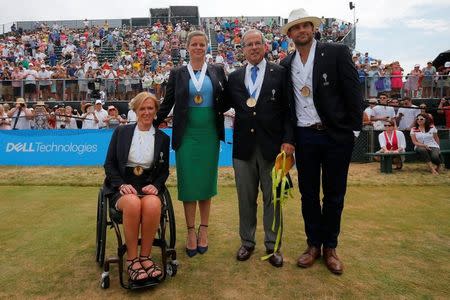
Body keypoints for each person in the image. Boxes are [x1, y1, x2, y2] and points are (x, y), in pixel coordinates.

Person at [280, 8, 363, 275]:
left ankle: (331, 247)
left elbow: (353, 91)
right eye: (296, 27)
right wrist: (290, 139)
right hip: (304, 136)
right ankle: (313, 244)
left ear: (312, 28)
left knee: (334, 194)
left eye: (306, 25)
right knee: (308, 195)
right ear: (290, 34)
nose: (302, 30)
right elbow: (288, 108)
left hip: (335, 135)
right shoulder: (286, 64)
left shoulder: (336, 52)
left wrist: (354, 131)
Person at [225, 29, 294, 268]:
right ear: (243, 49)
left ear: (265, 46)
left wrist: (289, 139)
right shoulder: (234, 77)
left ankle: (272, 245)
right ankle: (247, 242)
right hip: (243, 148)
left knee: (272, 198)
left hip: (273, 147)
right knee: (245, 198)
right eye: (249, 44)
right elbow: (220, 104)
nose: (253, 47)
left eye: (257, 43)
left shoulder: (280, 73)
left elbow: (289, 110)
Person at [154, 31, 227, 258]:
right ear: (187, 47)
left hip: (210, 134)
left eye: (202, 44)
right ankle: (190, 232)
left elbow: (226, 100)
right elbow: (167, 103)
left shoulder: (217, 71)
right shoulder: (177, 73)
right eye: (194, 44)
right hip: (186, 135)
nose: (198, 47)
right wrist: (151, 123)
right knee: (188, 184)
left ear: (207, 47)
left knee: (206, 182)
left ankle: (203, 229)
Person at [103, 92, 170, 282]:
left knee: (153, 205)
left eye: (150, 108)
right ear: (135, 110)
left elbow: (164, 171)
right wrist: (121, 184)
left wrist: (156, 186)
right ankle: (132, 259)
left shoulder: (163, 139)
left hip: (147, 185)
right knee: (132, 203)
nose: (147, 112)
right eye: (142, 108)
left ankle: (145, 257)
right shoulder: (121, 132)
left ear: (156, 111)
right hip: (122, 186)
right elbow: (109, 164)